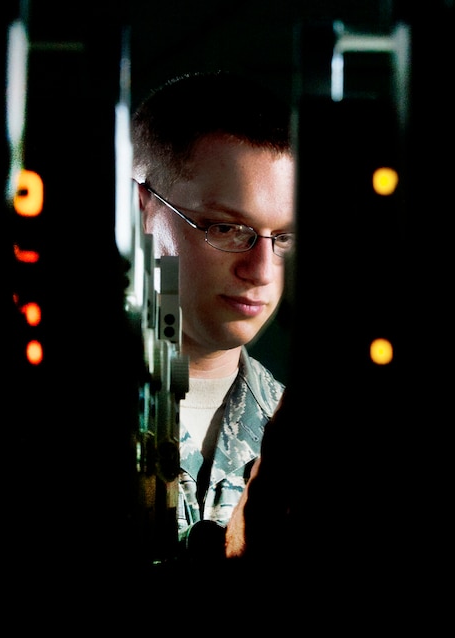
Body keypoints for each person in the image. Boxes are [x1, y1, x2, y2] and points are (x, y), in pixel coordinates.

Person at [131, 70, 293, 561]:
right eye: (227, 228)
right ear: (137, 208)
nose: (261, 269)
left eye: (283, 238)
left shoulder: (296, 436)